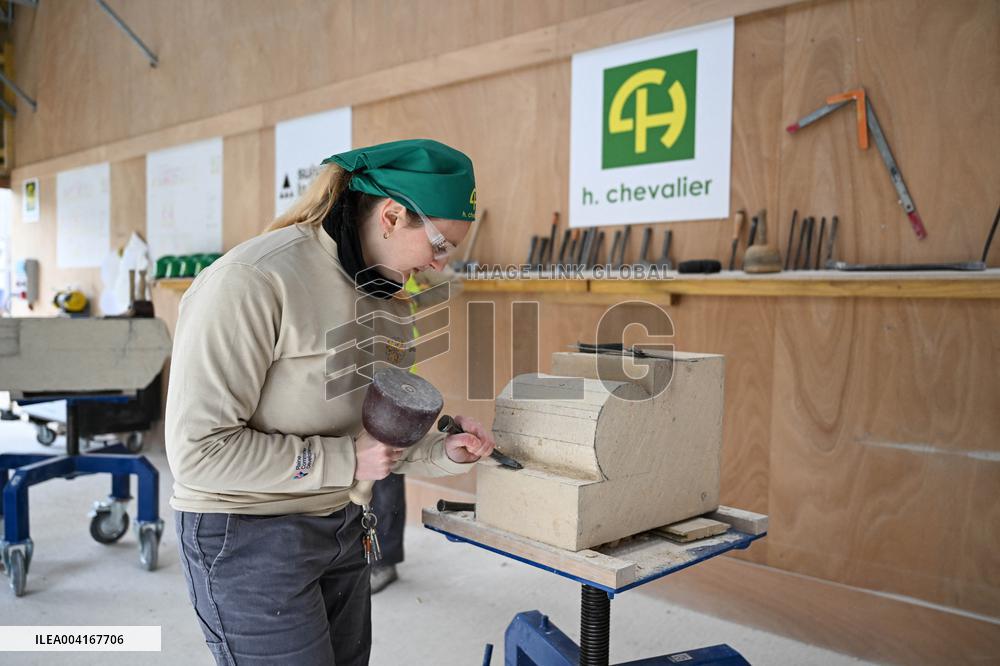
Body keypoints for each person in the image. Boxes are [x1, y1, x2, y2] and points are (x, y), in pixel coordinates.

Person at [165, 138, 494, 666]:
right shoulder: (252, 282)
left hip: (342, 525)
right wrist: (345, 462)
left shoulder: (390, 303)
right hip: (248, 533)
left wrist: (443, 451)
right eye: (439, 244)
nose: (438, 264)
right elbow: (198, 453)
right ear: (391, 215)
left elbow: (374, 438)